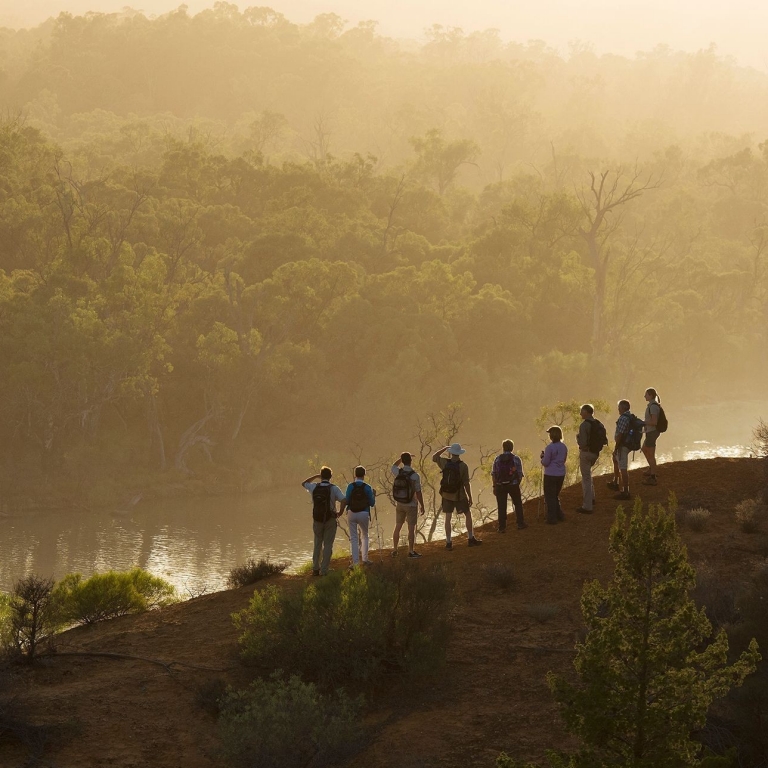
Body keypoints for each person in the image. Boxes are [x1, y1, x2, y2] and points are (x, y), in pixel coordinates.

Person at [432, 443, 481, 549]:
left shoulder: (444, 462)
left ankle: (449, 542)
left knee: (448, 518)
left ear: (451, 453)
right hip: (459, 495)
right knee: (467, 514)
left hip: (446, 495)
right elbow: (466, 483)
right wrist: (470, 497)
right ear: (459, 454)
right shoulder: (463, 466)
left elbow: (434, 457)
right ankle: (470, 538)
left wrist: (444, 448)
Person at [302, 466, 346, 576]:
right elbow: (344, 500)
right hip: (330, 519)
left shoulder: (314, 487)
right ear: (331, 477)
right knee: (328, 545)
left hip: (317, 520)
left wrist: (316, 476)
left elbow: (304, 483)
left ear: (321, 476)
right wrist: (340, 512)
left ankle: (315, 569)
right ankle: (324, 570)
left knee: (317, 544)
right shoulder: (334, 488)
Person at [390, 452, 426, 558]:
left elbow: (393, 465)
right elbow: (418, 492)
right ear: (411, 461)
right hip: (411, 504)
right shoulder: (415, 476)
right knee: (411, 528)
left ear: (403, 461)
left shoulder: (398, 472)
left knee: (398, 526)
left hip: (400, 503)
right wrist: (422, 505)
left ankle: (395, 550)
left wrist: (400, 458)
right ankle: (410, 551)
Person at [575, 403, 607, 514]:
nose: (580, 414)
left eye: (582, 412)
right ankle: (592, 498)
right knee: (588, 475)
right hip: (595, 453)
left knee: (586, 478)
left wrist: (578, 439)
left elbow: (583, 444)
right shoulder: (598, 424)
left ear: (587, 412)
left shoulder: (584, 425)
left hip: (586, 453)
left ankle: (587, 506)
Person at [491, 439, 527, 532]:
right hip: (513, 484)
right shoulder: (516, 459)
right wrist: (516, 483)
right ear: (512, 448)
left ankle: (502, 527)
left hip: (500, 485)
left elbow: (494, 473)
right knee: (518, 504)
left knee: (501, 506)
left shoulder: (497, 459)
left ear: (503, 448)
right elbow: (519, 473)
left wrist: (494, 486)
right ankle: (520, 523)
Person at [345, 465, 376, 568]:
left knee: (353, 537)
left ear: (355, 474)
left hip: (351, 513)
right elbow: (371, 503)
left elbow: (347, 500)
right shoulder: (367, 487)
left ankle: (355, 563)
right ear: (364, 475)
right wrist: (373, 495)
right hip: (364, 513)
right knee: (365, 535)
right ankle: (365, 559)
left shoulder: (350, 486)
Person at [540, 426, 567, 524]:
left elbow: (546, 462)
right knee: (555, 495)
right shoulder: (563, 446)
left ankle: (552, 518)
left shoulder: (550, 447)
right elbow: (564, 460)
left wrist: (542, 459)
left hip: (550, 474)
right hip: (560, 473)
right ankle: (559, 515)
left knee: (549, 496)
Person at [607, 400, 632, 500]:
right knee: (615, 460)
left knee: (623, 468)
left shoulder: (623, 418)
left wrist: (616, 447)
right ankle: (615, 482)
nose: (618, 409)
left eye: (619, 407)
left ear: (622, 408)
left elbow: (620, 435)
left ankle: (626, 491)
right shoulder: (630, 416)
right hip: (626, 444)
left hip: (622, 445)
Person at [642, 387, 662, 486]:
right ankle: (651, 469)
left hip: (652, 432)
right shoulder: (651, 405)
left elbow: (654, 422)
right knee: (645, 449)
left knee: (650, 453)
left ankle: (653, 476)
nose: (644, 396)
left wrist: (643, 423)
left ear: (650, 395)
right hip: (650, 431)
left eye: (646, 394)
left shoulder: (653, 406)